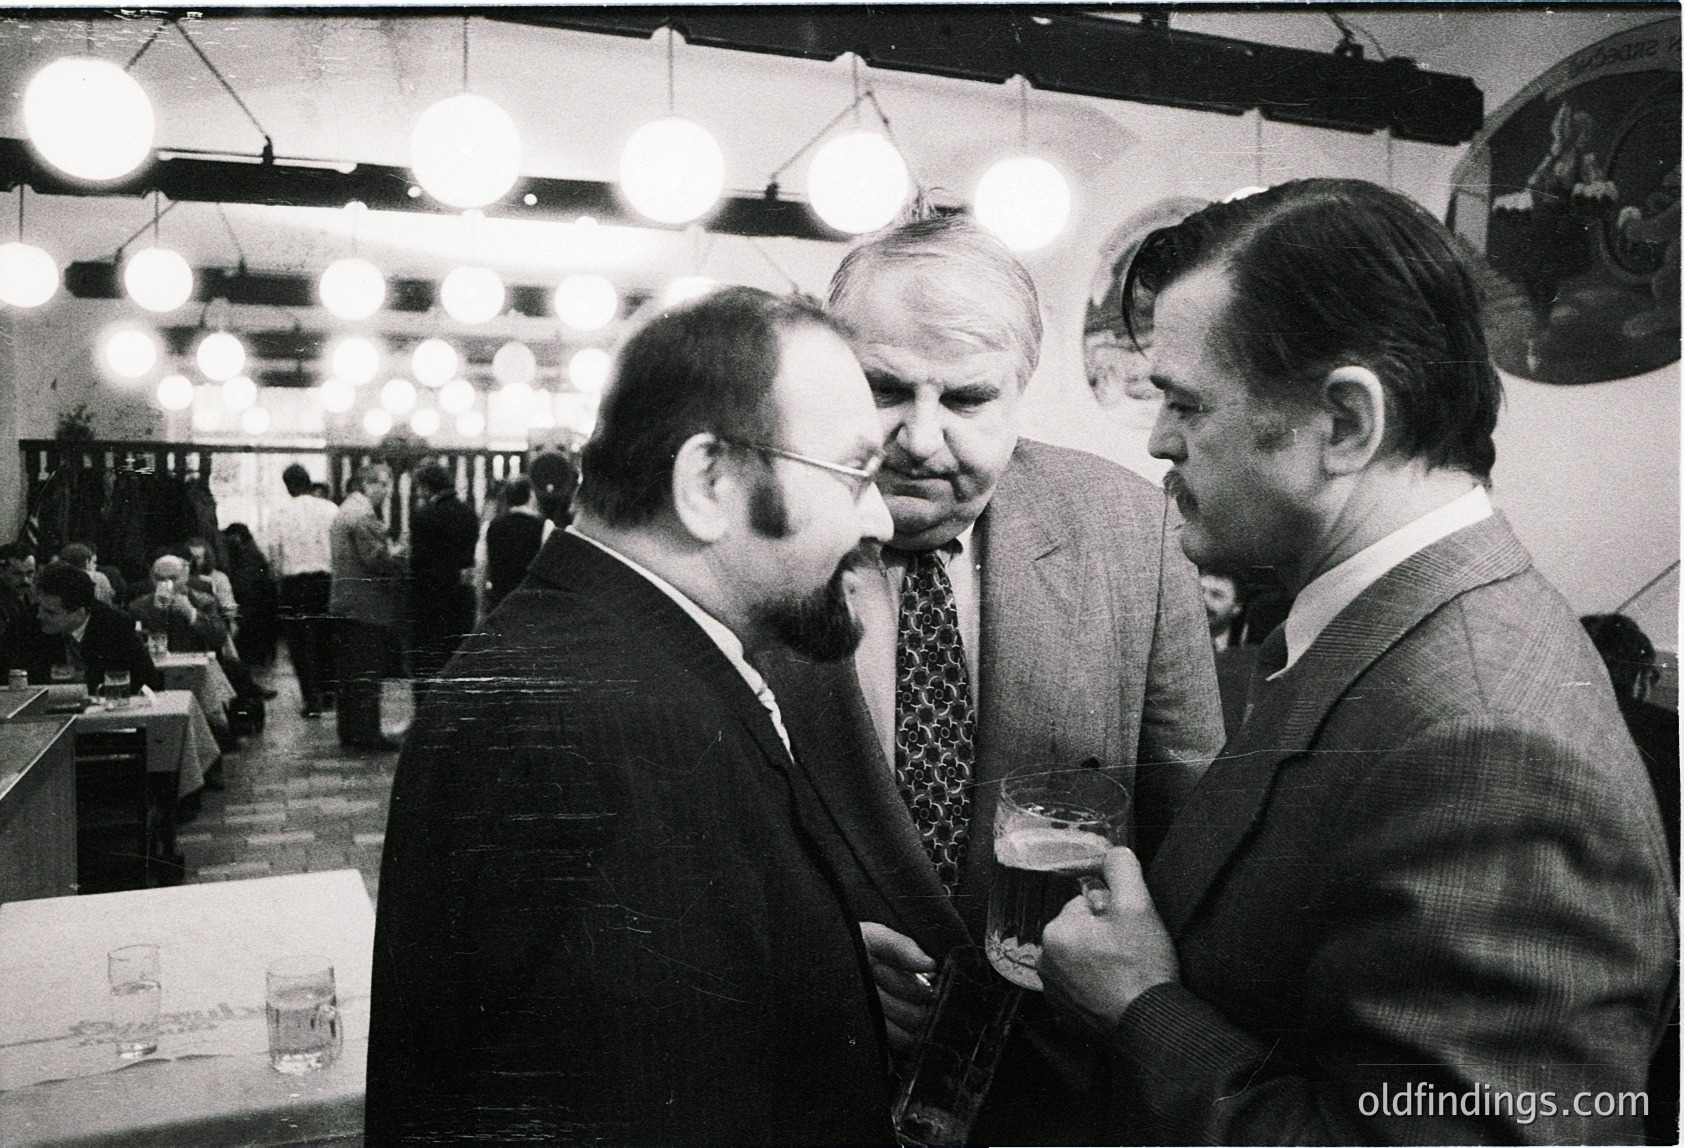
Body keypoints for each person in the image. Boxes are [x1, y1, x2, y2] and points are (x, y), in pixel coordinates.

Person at [1036, 179, 1676, 1144]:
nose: (1160, 441)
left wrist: (1138, 1008)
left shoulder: (1488, 741)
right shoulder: (1382, 634)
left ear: (1344, 424)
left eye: (1186, 403)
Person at [368, 287, 897, 1144]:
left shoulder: (596, 657)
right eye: (857, 473)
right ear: (709, 482)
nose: (879, 518)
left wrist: (806, 956)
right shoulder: (621, 733)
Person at [759, 212, 1224, 1142]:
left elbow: (1191, 841)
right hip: (804, 1091)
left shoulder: (1133, 533)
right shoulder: (747, 530)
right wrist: (796, 965)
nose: (920, 439)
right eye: (885, 388)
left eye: (967, 398)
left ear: (1022, 390)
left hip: (1060, 1103)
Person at [329, 462, 405, 750]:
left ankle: (349, 731)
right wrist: (400, 551)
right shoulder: (364, 516)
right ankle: (367, 734)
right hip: (366, 606)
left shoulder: (344, 510)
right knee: (367, 674)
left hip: (345, 603)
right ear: (368, 485)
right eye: (382, 485)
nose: (386, 492)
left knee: (349, 675)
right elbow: (377, 559)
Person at [15, 562, 160, 694]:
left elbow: (148, 682)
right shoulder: (26, 625)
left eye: (50, 612)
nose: (39, 615)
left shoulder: (114, 625)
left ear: (79, 612)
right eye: (40, 607)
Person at [269, 464, 340, 717]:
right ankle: (329, 694)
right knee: (326, 639)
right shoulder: (331, 509)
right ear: (309, 482)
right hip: (326, 581)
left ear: (288, 486)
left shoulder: (280, 514)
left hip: (295, 585)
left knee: (300, 645)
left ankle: (312, 701)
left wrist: (279, 587)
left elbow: (275, 557)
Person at [406, 462, 478, 682]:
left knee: (426, 663)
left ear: (427, 486)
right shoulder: (469, 514)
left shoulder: (423, 516)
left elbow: (417, 562)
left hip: (429, 599)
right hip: (460, 596)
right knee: (454, 661)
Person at [480, 475, 547, 614]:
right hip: (532, 606)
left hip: (500, 604)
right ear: (531, 496)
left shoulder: (490, 527)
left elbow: (482, 568)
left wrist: (480, 608)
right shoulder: (544, 526)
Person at [222, 523, 279, 666]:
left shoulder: (245, 555)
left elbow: (243, 583)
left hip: (251, 603)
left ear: (237, 537)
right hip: (261, 603)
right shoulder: (253, 552)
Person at [0, 541, 36, 638]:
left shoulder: (35, 593)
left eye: (30, 573)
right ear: (1, 571)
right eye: (17, 573)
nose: (25, 580)